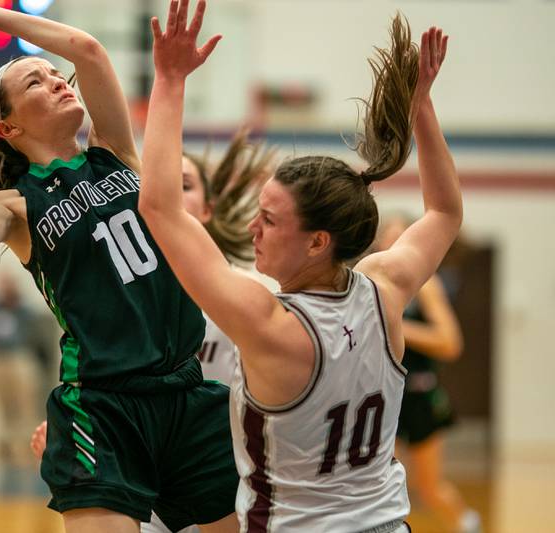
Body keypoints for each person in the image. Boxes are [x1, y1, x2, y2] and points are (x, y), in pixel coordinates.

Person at [0, 1, 237, 532]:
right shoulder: (16, 205)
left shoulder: (116, 154)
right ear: (9, 128)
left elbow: (86, 50)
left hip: (185, 390)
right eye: (35, 84)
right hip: (101, 405)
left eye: (53, 74)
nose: (58, 82)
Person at [139, 3, 460, 531]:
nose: (252, 230)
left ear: (316, 242)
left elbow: (159, 208)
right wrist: (421, 107)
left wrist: (171, 80)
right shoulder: (387, 289)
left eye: (268, 219)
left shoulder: (269, 325)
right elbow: (446, 211)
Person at [30, 128, 276, 533]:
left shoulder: (253, 294)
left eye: (183, 185)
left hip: (222, 469)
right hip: (146, 482)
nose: (165, 192)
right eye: (155, 183)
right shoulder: (119, 297)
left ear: (208, 209)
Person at [377, 216, 482, 533]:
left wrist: (397, 325)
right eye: (387, 239)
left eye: (400, 238)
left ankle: (467, 525)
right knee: (380, 481)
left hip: (419, 393)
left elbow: (449, 343)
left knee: (429, 487)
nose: (393, 246)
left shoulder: (426, 284)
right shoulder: (371, 283)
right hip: (384, 396)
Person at [0, 268, 51, 465]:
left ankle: (29, 451)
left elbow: (36, 337)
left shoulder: (25, 311)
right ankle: (6, 451)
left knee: (26, 407)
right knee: (3, 408)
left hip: (20, 358)